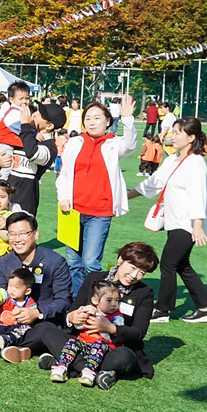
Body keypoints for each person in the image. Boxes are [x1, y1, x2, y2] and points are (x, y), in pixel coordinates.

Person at [26, 241, 160, 389]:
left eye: (142, 272)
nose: (135, 275)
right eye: (133, 267)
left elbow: (138, 332)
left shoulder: (144, 293)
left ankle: (67, 364)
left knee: (126, 357)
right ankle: (94, 372)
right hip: (82, 343)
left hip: (113, 348)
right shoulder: (95, 278)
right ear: (120, 259)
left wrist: (111, 329)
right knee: (47, 329)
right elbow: (73, 308)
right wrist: (71, 317)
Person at [129, 116, 207, 323]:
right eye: (173, 132)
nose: (173, 136)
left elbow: (198, 195)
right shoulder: (172, 160)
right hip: (174, 220)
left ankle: (163, 309)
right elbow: (153, 183)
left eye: (178, 133)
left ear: (191, 137)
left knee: (168, 263)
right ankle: (206, 308)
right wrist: (125, 197)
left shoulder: (195, 163)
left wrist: (197, 226)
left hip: (187, 223)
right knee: (181, 264)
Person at [0, 211, 73, 362]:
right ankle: (12, 346)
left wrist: (38, 313)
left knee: (46, 331)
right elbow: (0, 292)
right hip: (7, 320)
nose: (17, 239)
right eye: (12, 234)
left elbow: (64, 300)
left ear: (35, 234)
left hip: (38, 323)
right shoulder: (6, 261)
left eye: (23, 233)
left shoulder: (55, 261)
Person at [55, 96, 137, 292]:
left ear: (108, 121)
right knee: (74, 262)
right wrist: (63, 197)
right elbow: (63, 173)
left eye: (97, 118)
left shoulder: (114, 143)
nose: (91, 122)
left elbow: (131, 144)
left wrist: (127, 119)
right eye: (88, 118)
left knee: (90, 261)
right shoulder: (74, 142)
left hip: (99, 212)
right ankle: (75, 301)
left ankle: (96, 300)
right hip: (72, 211)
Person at [49, 279, 124, 386]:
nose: (114, 304)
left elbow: (112, 337)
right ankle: (61, 366)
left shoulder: (117, 317)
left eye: (116, 300)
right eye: (109, 300)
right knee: (72, 342)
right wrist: (83, 314)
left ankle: (88, 372)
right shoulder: (90, 309)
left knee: (99, 344)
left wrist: (102, 323)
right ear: (95, 300)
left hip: (105, 347)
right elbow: (78, 326)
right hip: (85, 344)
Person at [0, 268, 38, 354]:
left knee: (20, 332)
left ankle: (6, 341)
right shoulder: (7, 296)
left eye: (16, 287)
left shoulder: (30, 303)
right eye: (10, 285)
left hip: (17, 326)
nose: (11, 290)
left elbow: (31, 313)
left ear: (27, 291)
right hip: (2, 324)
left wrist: (20, 311)